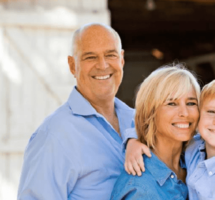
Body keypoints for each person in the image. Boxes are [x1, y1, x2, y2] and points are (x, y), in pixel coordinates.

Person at [17, 23, 148, 200]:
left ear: (122, 59)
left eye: (110, 55)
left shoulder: (139, 121)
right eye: (90, 57)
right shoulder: (54, 135)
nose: (102, 65)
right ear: (72, 66)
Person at [111, 65, 201, 200]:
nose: (184, 113)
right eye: (172, 103)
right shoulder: (140, 190)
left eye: (191, 103)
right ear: (150, 112)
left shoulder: (195, 162)